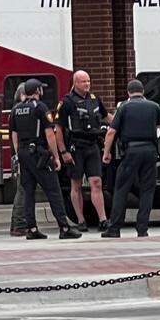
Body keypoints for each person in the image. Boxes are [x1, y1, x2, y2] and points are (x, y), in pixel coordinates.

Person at [10, 78, 80, 240]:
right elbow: (49, 133)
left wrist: (19, 154)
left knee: (28, 192)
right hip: (39, 154)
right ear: (37, 91)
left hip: (23, 153)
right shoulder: (40, 107)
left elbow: (14, 134)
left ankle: (31, 229)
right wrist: (56, 156)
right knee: (53, 190)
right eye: (41, 88)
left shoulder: (16, 109)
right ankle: (64, 227)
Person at [100, 79, 160, 238]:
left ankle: (114, 228)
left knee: (121, 189)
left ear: (128, 92)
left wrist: (106, 152)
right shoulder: (154, 106)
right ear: (143, 91)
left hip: (131, 151)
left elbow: (111, 132)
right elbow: (158, 129)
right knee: (147, 190)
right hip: (150, 151)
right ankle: (142, 228)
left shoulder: (124, 107)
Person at [57, 70, 110, 231]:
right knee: (76, 184)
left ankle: (103, 220)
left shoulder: (95, 99)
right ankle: (81, 220)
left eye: (88, 81)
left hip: (92, 146)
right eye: (83, 81)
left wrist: (120, 122)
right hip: (75, 147)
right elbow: (58, 129)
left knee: (96, 182)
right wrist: (63, 151)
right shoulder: (67, 102)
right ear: (75, 83)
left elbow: (107, 116)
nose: (87, 84)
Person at [9, 82, 28, 236]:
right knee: (22, 190)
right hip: (22, 155)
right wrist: (18, 156)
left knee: (23, 189)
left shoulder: (15, 110)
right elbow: (16, 135)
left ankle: (19, 223)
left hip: (19, 154)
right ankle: (19, 224)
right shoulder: (19, 111)